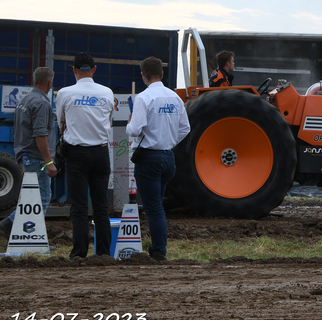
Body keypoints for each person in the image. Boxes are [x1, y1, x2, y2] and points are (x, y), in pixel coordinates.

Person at [127, 57, 191, 261]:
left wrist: (129, 124)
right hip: (167, 157)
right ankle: (157, 247)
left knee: (153, 208)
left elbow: (135, 130)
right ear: (162, 74)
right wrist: (169, 140)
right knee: (157, 206)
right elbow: (185, 128)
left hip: (149, 159)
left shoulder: (143, 98)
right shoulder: (175, 98)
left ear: (143, 76)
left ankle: (158, 251)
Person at [56, 52, 114, 258]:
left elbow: (60, 122)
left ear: (74, 70)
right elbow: (109, 120)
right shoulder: (107, 92)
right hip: (100, 153)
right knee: (101, 206)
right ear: (94, 69)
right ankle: (104, 254)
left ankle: (79, 254)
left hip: (77, 154)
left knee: (79, 207)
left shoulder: (64, 93)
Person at [0, 68, 57, 238]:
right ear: (50, 82)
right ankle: (31, 235)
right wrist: (48, 162)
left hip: (25, 156)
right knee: (42, 198)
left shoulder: (24, 100)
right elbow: (40, 134)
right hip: (37, 158)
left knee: (31, 197)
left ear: (33, 81)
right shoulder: (41, 103)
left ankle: (11, 223)